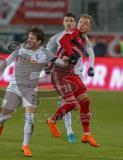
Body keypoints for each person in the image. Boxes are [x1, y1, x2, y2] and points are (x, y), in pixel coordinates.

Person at [0, 27, 67, 157]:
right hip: (14, 87)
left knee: (30, 119)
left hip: (30, 89)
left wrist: (67, 60)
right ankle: (0, 124)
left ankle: (25, 146)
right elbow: (8, 60)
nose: (28, 40)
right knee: (5, 114)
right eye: (28, 37)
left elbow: (60, 63)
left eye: (32, 38)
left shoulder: (46, 53)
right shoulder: (20, 48)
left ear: (39, 41)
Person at [47, 14, 100, 147]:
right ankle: (52, 121)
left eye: (85, 24)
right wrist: (71, 54)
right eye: (81, 22)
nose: (82, 25)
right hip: (60, 73)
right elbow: (63, 40)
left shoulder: (84, 38)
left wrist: (91, 67)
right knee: (71, 104)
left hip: (72, 73)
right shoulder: (73, 32)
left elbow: (91, 53)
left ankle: (86, 135)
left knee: (85, 101)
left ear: (89, 27)